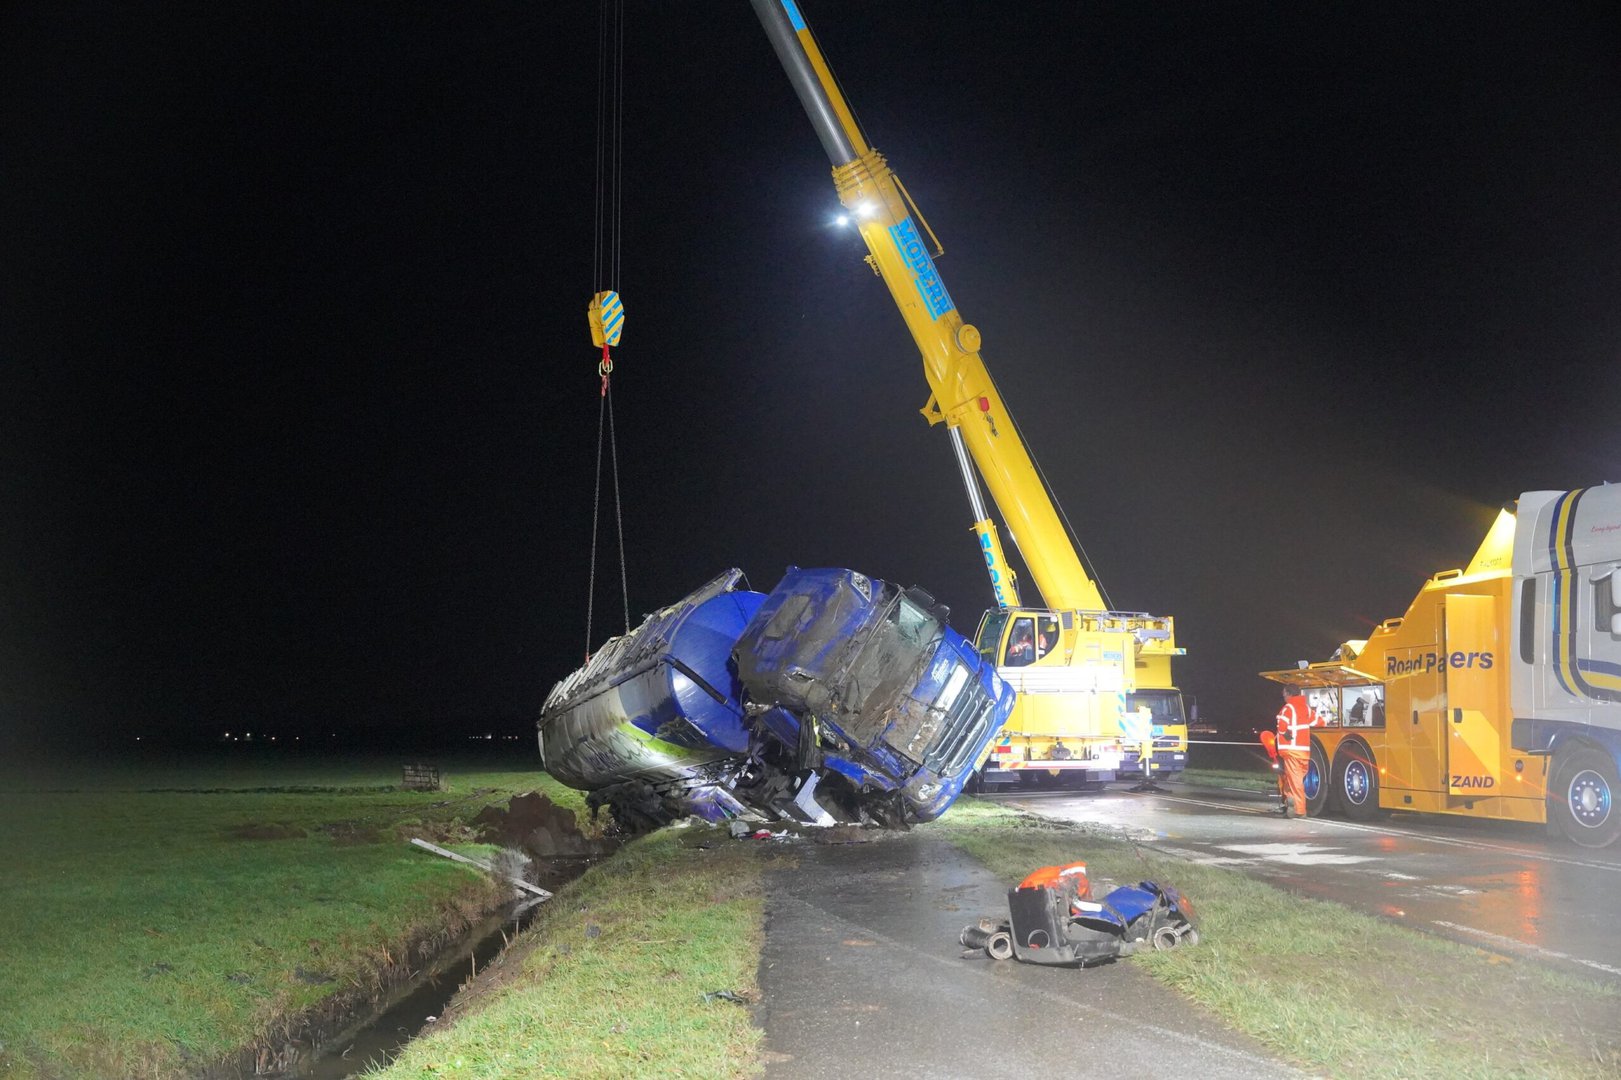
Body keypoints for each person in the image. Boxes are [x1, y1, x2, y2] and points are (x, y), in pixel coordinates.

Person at [1274, 689, 1320, 817]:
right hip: (1304, 752)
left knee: (1295, 781)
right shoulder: (1306, 708)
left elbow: (1281, 724)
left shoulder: (1287, 708)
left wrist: (1284, 733)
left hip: (1291, 750)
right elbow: (1318, 720)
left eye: (1284, 693)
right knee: (1292, 779)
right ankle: (1289, 805)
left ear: (1289, 694)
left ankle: (1299, 811)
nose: (1283, 696)